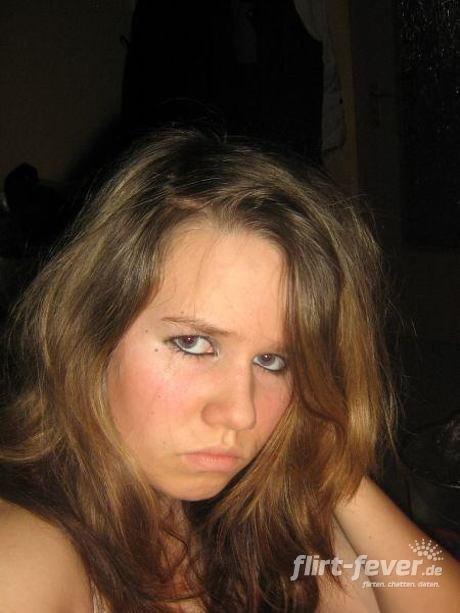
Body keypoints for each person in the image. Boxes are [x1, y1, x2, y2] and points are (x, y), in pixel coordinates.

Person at [0, 128, 458, 612]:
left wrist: (336, 469)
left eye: (272, 360)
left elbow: (429, 583)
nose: (241, 413)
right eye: (193, 344)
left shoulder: (248, 516)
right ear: (90, 333)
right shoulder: (27, 558)